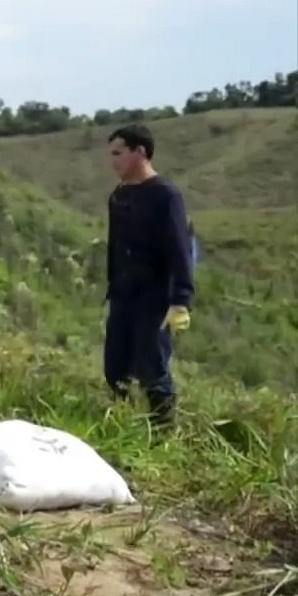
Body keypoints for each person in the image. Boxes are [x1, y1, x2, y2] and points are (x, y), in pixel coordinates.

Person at [104, 124, 194, 428]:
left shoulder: (164, 195)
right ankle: (123, 426)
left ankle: (163, 435)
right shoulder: (119, 196)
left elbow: (179, 247)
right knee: (115, 369)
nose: (113, 161)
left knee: (152, 369)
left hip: (154, 297)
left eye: (118, 153)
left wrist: (180, 299)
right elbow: (114, 249)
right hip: (123, 295)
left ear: (139, 152)